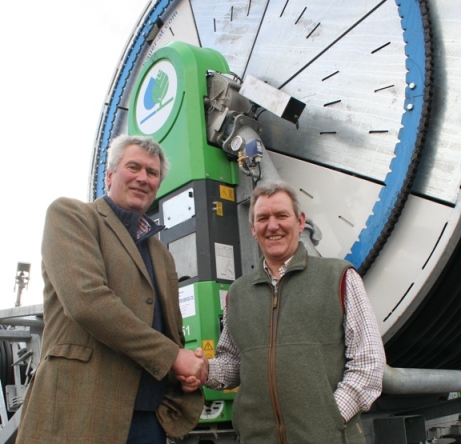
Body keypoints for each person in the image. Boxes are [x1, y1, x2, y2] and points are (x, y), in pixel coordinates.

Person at [16, 135, 206, 444]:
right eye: (134, 167)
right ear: (109, 175)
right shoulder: (72, 216)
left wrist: (190, 372)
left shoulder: (161, 254)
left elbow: (172, 333)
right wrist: (173, 357)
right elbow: (87, 302)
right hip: (81, 415)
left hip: (148, 420)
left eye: (152, 173)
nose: (143, 178)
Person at [185, 180, 386, 443]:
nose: (272, 225)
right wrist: (205, 371)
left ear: (300, 222)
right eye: (263, 218)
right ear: (253, 229)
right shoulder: (238, 293)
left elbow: (368, 364)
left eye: (282, 215)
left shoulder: (339, 277)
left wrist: (329, 417)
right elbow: (234, 364)